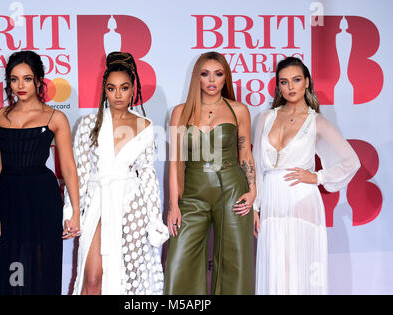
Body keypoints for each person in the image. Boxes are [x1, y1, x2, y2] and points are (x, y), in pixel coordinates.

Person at [63, 52, 169, 295]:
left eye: (124, 88)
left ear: (133, 89)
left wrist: (154, 221)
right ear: (105, 90)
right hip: (97, 202)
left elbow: (148, 177)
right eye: (112, 88)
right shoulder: (89, 123)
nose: (118, 94)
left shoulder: (145, 126)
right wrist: (72, 212)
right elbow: (79, 172)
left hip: (133, 207)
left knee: (125, 279)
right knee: (91, 279)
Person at [253, 56, 361, 295]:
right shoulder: (265, 118)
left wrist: (318, 177)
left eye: (296, 80)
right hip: (271, 203)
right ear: (278, 85)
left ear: (307, 82)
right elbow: (257, 165)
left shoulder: (316, 122)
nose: (290, 87)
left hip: (302, 202)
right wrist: (255, 208)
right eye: (284, 81)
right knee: (275, 270)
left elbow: (351, 161)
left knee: (301, 271)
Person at [0, 50, 80, 295]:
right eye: (14, 79)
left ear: (39, 80)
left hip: (42, 199)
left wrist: (76, 213)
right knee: (8, 265)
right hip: (8, 200)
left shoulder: (55, 117)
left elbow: (69, 168)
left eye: (27, 78)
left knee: (41, 266)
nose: (20, 85)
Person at [164, 52, 256, 294]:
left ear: (226, 77)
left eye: (218, 73)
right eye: (205, 74)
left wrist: (253, 192)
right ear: (197, 78)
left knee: (235, 264)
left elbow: (245, 155)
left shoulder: (239, 110)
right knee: (178, 263)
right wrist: (173, 205)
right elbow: (175, 163)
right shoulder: (180, 112)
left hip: (232, 189)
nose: (212, 80)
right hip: (192, 192)